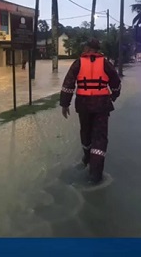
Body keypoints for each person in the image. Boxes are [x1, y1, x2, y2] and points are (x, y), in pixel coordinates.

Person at [60, 38, 122, 185]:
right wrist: (113, 95)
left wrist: (64, 104)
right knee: (100, 138)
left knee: (86, 133)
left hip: (84, 105)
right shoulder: (106, 63)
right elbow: (116, 83)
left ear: (87, 49)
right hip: (101, 105)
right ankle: (96, 174)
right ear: (98, 50)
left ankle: (87, 158)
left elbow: (68, 84)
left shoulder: (78, 63)